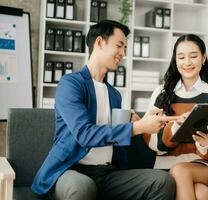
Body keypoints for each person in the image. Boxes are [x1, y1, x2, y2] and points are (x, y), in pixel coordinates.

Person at [31, 20, 177, 200]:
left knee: (162, 181)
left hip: (108, 173)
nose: (123, 53)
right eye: (119, 45)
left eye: (125, 48)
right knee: (82, 188)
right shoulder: (71, 84)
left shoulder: (114, 94)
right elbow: (85, 134)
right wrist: (139, 127)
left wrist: (139, 124)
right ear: (99, 42)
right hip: (72, 170)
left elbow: (117, 141)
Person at [141, 34, 208, 200]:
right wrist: (176, 127)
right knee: (201, 193)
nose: (187, 62)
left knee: (181, 170)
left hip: (206, 165)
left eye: (193, 56)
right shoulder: (161, 94)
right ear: (175, 61)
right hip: (165, 165)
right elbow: (153, 143)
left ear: (203, 58)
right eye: (181, 57)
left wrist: (207, 144)